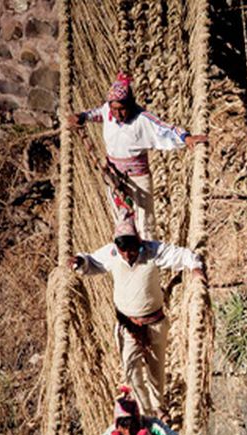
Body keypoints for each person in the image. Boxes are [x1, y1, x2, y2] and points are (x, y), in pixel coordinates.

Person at [69, 215, 206, 415]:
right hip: (128, 326)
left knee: (156, 371)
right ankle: (146, 411)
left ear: (139, 243)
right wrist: (79, 261)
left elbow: (182, 255)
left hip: (154, 322)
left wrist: (195, 268)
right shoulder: (112, 253)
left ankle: (158, 407)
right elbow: (91, 262)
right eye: (123, 250)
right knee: (131, 370)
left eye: (131, 250)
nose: (127, 255)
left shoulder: (152, 251)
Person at [68, 71, 208, 240]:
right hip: (114, 176)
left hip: (138, 177)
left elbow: (165, 129)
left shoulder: (142, 119)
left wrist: (186, 138)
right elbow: (97, 113)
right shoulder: (108, 111)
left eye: (122, 109)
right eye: (114, 109)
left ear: (131, 105)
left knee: (145, 222)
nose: (118, 114)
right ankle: (126, 256)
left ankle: (149, 260)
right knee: (121, 220)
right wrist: (82, 117)